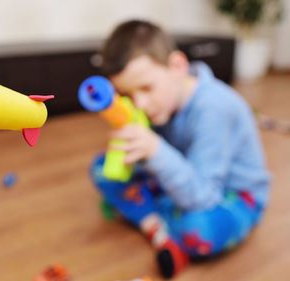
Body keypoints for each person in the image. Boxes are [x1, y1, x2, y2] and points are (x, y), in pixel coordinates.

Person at [90, 19, 271, 279]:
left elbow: (203, 195)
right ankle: (161, 231)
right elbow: (162, 159)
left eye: (146, 87)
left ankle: (149, 217)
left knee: (198, 230)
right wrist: (133, 152)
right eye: (127, 95)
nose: (139, 104)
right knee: (102, 170)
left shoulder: (214, 108)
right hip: (182, 179)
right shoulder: (159, 103)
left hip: (229, 194)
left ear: (177, 66)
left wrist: (154, 150)